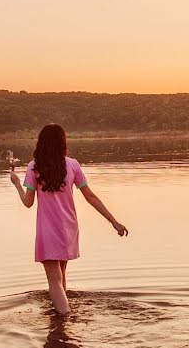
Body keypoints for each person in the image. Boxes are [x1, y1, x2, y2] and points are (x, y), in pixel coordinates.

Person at [10, 123, 128, 314]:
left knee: (54, 281)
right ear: (62, 143)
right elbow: (90, 196)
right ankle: (62, 320)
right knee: (61, 276)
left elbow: (28, 202)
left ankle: (64, 318)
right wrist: (113, 221)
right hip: (69, 228)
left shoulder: (34, 167)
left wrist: (16, 183)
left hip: (48, 230)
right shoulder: (72, 165)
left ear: (42, 143)